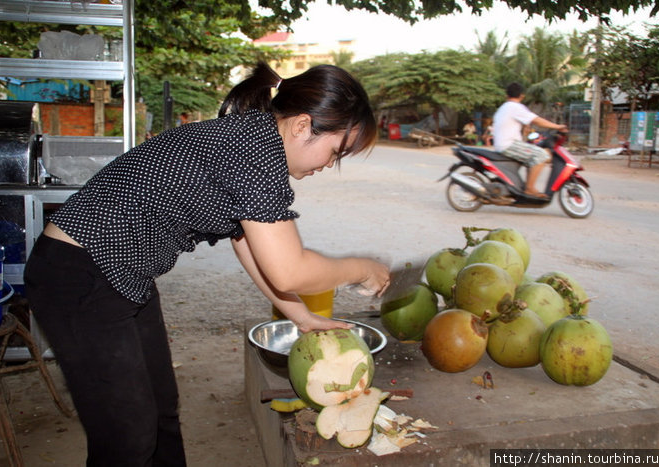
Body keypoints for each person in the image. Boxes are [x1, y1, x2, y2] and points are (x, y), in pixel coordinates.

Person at [23, 62, 390, 467]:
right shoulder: (255, 149)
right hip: (79, 273)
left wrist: (300, 316)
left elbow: (249, 245)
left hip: (121, 273)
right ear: (302, 125)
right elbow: (290, 269)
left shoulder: (254, 140)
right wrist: (362, 268)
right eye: (335, 151)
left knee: (161, 411)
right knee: (127, 436)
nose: (329, 165)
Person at [492, 82, 567, 197]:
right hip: (509, 145)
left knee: (533, 155)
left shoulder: (504, 108)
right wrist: (558, 126)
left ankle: (527, 185)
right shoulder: (515, 107)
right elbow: (536, 120)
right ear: (522, 96)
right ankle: (530, 188)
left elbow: (521, 125)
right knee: (542, 155)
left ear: (506, 95)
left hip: (503, 144)